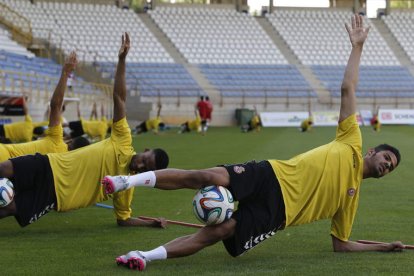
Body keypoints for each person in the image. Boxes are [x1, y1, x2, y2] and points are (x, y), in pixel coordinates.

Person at [102, 15, 405, 271]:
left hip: (275, 214)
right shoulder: (351, 141)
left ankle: (143, 257)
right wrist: (358, 47)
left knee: (217, 232)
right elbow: (347, 87)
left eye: (390, 168)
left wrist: (383, 247)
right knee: (206, 176)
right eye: (387, 159)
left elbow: (342, 245)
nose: (386, 166)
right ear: (372, 151)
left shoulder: (351, 197)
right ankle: (125, 181)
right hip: (272, 174)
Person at [0, 33, 169, 229]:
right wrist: (122, 60)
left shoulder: (126, 185)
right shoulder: (123, 140)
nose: (140, 165)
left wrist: (151, 224)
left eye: (145, 169)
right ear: (146, 150)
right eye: (145, 160)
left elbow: (123, 219)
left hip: (55, 196)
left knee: (10, 208)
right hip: (50, 164)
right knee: (4, 168)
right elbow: (119, 98)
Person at [0, 52, 88, 162]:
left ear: (70, 141)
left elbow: (55, 105)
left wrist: (65, 73)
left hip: (4, 155)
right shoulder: (62, 164)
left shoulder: (56, 139)